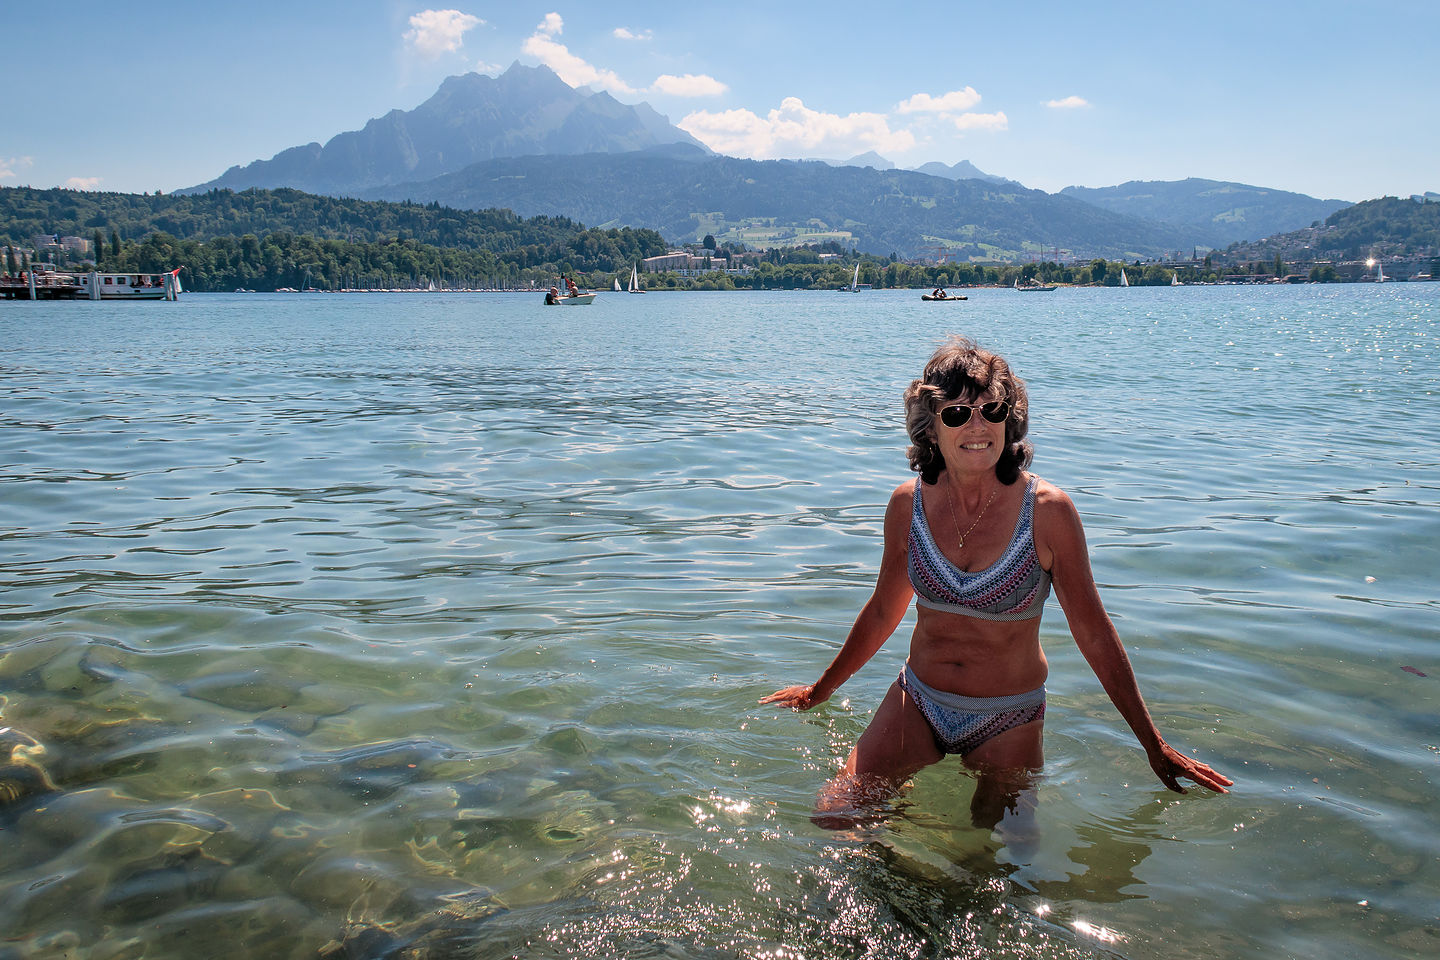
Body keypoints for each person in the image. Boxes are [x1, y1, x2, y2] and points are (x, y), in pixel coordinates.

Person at [763, 337, 1231, 828]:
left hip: (1009, 715)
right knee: (836, 816)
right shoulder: (907, 505)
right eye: (957, 414)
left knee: (1000, 850)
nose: (978, 426)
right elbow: (884, 609)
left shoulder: (1048, 513)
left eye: (992, 410)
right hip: (918, 699)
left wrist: (1153, 744)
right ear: (930, 427)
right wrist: (821, 689)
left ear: (1011, 418)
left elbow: (1093, 632)